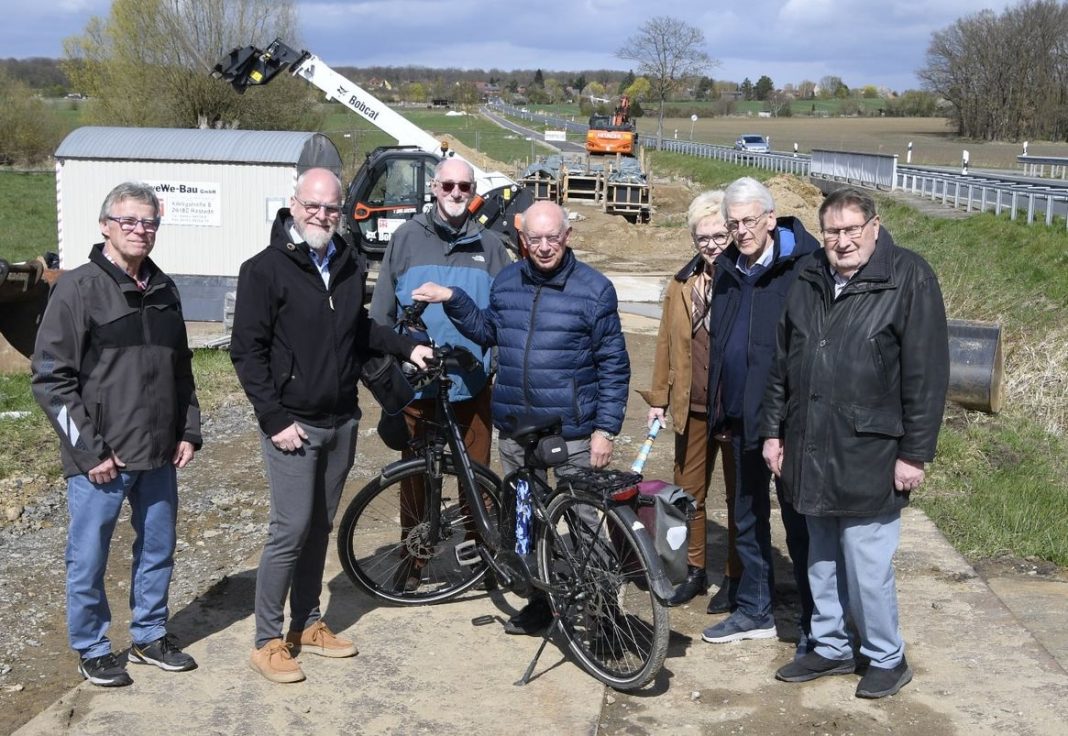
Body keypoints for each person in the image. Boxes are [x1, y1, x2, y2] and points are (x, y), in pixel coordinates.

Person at [230, 168, 431, 684]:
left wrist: (406, 345)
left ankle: (308, 623)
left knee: (319, 526)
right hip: (292, 423)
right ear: (293, 204)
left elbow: (356, 328)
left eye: (332, 208)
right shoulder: (264, 270)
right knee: (289, 529)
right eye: (313, 206)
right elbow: (246, 353)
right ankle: (268, 640)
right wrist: (274, 419)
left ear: (342, 210)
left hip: (341, 417)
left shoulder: (345, 262)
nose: (322, 215)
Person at [762, 187, 949, 698]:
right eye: (832, 232)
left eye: (851, 230)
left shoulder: (908, 276)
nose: (842, 242)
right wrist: (773, 432)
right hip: (808, 441)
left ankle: (886, 655)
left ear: (874, 227)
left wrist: (914, 453)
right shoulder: (808, 276)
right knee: (819, 556)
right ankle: (830, 645)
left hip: (871, 448)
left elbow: (927, 375)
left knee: (866, 563)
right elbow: (782, 363)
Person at [411, 199, 630, 633]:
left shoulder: (595, 289)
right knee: (525, 523)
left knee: (584, 520)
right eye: (535, 238)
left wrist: (605, 430)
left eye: (553, 237)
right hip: (516, 431)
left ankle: (604, 612)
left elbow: (614, 363)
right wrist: (453, 298)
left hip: (572, 432)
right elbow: (488, 331)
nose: (545, 246)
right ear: (522, 240)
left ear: (568, 237)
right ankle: (541, 603)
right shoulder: (508, 280)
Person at [31, 182, 201, 687]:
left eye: (148, 221)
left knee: (158, 548)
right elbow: (49, 378)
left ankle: (149, 635)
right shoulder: (78, 288)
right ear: (105, 224)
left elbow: (181, 369)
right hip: (102, 459)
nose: (138, 230)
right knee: (89, 555)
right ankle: (92, 645)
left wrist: (187, 430)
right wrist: (89, 451)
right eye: (128, 220)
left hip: (159, 454)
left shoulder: (165, 288)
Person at [369, 157, 511, 590]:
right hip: (417, 386)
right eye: (447, 185)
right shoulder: (407, 239)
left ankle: (484, 556)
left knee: (478, 475)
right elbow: (381, 315)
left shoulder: (491, 247)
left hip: (470, 386)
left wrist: (495, 370)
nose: (454, 193)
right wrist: (397, 361)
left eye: (463, 187)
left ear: (473, 193)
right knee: (414, 475)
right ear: (434, 187)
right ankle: (414, 560)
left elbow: (506, 317)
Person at [701, 177, 819, 649]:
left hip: (790, 422)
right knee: (747, 516)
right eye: (734, 223)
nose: (742, 231)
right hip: (742, 417)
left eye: (750, 221)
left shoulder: (805, 268)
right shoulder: (729, 269)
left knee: (800, 522)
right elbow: (723, 341)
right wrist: (722, 409)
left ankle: (816, 623)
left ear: (771, 219)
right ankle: (755, 610)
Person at [639, 190, 741, 611]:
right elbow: (665, 343)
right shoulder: (681, 284)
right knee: (689, 493)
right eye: (703, 237)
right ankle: (695, 572)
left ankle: (738, 577)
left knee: (741, 498)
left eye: (720, 235)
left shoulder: (746, 280)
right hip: (693, 408)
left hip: (734, 410)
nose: (712, 244)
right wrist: (659, 398)